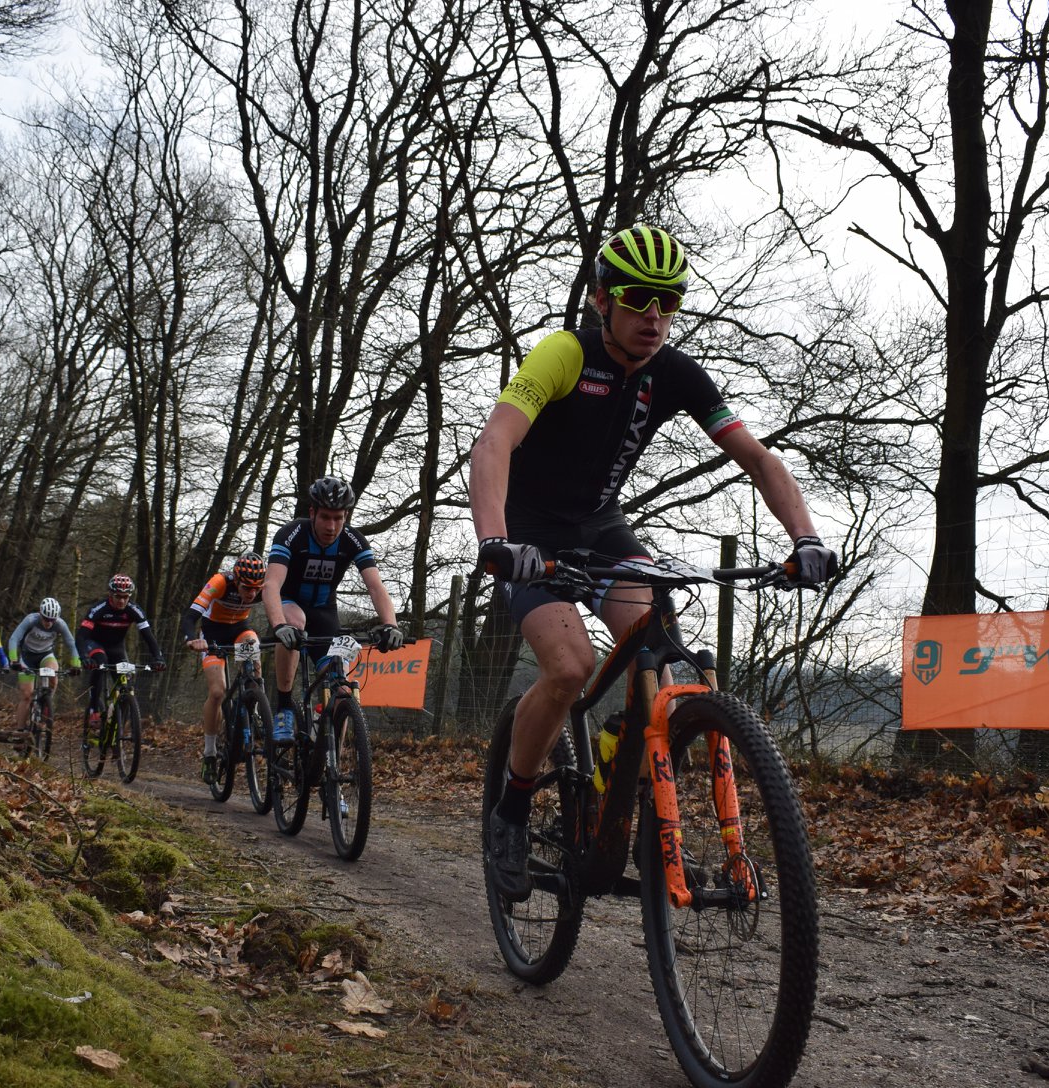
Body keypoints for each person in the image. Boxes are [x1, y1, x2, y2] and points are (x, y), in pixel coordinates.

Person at [469, 223, 841, 903]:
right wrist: (496, 540)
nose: (654, 316)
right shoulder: (563, 353)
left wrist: (806, 536)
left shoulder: (675, 374)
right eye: (639, 298)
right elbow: (495, 441)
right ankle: (512, 812)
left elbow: (757, 458)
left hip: (603, 526)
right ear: (602, 299)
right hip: (531, 529)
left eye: (669, 301)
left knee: (662, 653)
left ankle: (623, 755)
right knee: (571, 666)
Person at [262, 476, 405, 744]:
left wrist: (391, 625)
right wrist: (279, 625)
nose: (332, 526)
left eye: (338, 518)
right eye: (325, 517)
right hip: (289, 605)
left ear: (346, 515)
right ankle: (284, 706)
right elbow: (271, 584)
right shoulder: (291, 534)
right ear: (312, 513)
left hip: (325, 613)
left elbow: (375, 586)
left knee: (342, 692)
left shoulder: (353, 540)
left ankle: (330, 766)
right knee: (296, 621)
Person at [183, 551, 268, 767]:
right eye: (246, 587)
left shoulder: (262, 588)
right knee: (217, 692)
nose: (251, 593)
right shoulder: (219, 582)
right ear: (236, 580)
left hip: (240, 629)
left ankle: (255, 707)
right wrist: (192, 639)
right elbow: (191, 615)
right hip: (213, 633)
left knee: (252, 645)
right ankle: (210, 751)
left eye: (256, 588)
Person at [75, 574, 166, 733]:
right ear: (111, 594)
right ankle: (94, 709)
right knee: (100, 662)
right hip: (95, 643)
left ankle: (118, 730)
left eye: (125, 597)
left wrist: (158, 657)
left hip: (117, 648)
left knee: (125, 683)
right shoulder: (99, 608)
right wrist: (83, 656)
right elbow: (82, 635)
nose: (122, 601)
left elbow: (148, 636)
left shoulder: (134, 610)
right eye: (118, 596)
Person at [7, 597, 81, 726]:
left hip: (45, 655)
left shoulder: (60, 624)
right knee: (26, 696)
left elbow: (71, 644)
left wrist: (76, 664)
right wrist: (13, 659)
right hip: (27, 658)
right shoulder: (31, 620)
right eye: (46, 619)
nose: (49, 623)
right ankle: (19, 731)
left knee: (53, 673)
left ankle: (46, 704)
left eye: (52, 620)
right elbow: (14, 639)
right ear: (41, 614)